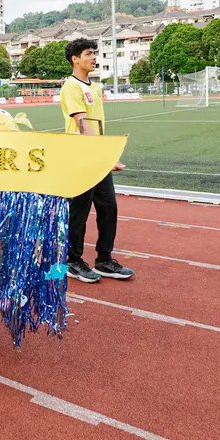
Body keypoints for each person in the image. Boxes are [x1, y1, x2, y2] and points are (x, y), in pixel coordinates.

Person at [61, 38, 134, 284]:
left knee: (108, 207)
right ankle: (73, 261)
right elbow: (83, 124)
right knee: (79, 212)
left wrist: (105, 154)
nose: (94, 57)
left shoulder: (95, 88)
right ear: (75, 59)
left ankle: (104, 259)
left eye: (94, 53)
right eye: (88, 53)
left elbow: (96, 126)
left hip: (97, 157)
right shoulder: (71, 86)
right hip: (81, 157)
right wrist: (106, 155)